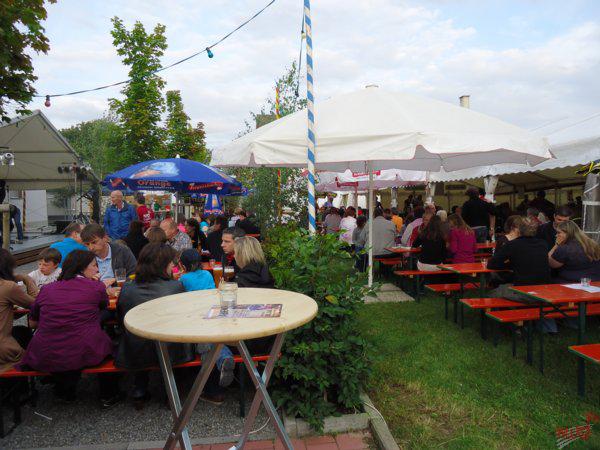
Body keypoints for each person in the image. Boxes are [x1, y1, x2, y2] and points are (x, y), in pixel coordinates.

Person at [21, 250, 119, 405]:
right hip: (86, 348)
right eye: (94, 265)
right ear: (82, 268)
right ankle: (108, 395)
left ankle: (64, 389)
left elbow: (33, 322)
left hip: (45, 351)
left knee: (66, 341)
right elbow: (103, 306)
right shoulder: (95, 287)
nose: (97, 269)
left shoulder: (47, 289)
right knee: (107, 344)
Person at [115, 243, 195, 404]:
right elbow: (184, 319)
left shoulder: (127, 288)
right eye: (171, 262)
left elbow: (120, 319)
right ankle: (170, 393)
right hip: (170, 349)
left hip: (135, 348)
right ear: (163, 265)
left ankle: (139, 389)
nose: (173, 265)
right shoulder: (175, 286)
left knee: (138, 337)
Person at [178, 249, 234, 389]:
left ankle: (209, 386)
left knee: (204, 344)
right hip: (212, 313)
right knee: (209, 341)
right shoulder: (207, 274)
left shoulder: (183, 279)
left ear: (183, 265)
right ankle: (224, 359)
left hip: (195, 318)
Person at [0, 249, 37, 371]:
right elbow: (36, 304)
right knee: (30, 354)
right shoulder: (7, 286)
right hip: (4, 350)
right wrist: (27, 279)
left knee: (20, 331)